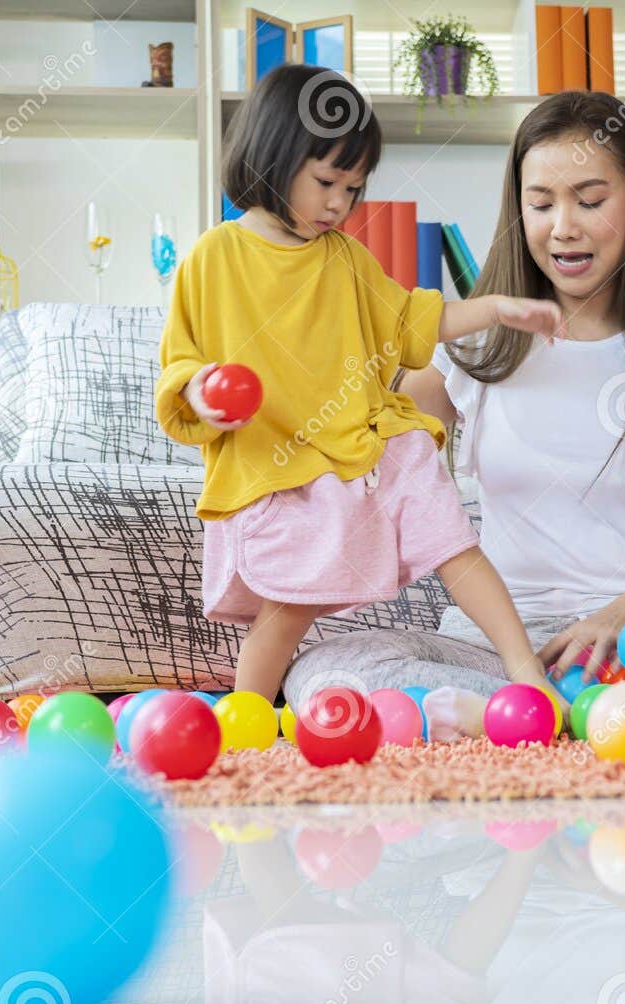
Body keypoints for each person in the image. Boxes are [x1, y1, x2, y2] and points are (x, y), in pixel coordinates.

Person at [284, 89, 625, 738]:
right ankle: (566, 718)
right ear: (517, 208)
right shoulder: (468, 349)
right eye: (542, 202)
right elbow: (355, 450)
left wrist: (618, 616)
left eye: (590, 199)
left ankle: (529, 725)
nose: (564, 227)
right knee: (330, 666)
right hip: (497, 656)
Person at [154, 64, 566, 707]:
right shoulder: (213, 257)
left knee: (459, 547)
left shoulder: (344, 257)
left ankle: (528, 675)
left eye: (352, 188)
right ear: (273, 155)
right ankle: (245, 728)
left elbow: (413, 321)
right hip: (279, 462)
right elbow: (181, 369)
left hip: (376, 446)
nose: (339, 205)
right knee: (290, 607)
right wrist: (204, 393)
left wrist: (497, 309)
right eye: (325, 183)